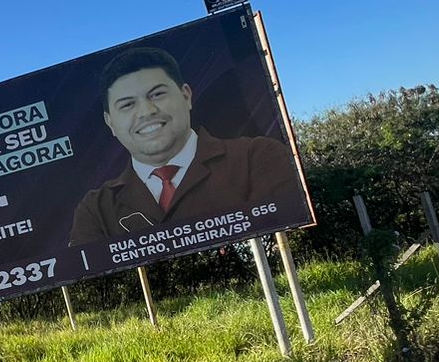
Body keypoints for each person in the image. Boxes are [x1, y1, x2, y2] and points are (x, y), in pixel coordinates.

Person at [69, 46, 305, 246]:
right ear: (110, 122)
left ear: (186, 95)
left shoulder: (256, 158)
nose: (147, 112)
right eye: (127, 105)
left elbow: (286, 237)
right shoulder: (96, 210)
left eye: (157, 95)